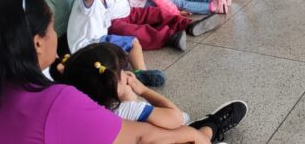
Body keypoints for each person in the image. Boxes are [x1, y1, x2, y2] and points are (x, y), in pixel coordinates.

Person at [0, 0, 197, 143]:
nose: (54, 37)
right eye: (51, 29)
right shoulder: (54, 101)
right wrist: (195, 137)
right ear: (37, 43)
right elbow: (141, 137)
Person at [57, 43, 248, 144]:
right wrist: (143, 91)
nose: (126, 74)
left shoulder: (80, 117)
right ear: (114, 83)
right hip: (167, 136)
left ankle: (208, 129)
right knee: (189, 132)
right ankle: (210, 127)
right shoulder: (130, 110)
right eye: (122, 71)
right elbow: (177, 118)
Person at [69, 0, 167, 86]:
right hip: (86, 50)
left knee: (133, 43)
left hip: (98, 41)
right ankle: (120, 76)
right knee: (116, 61)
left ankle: (140, 73)